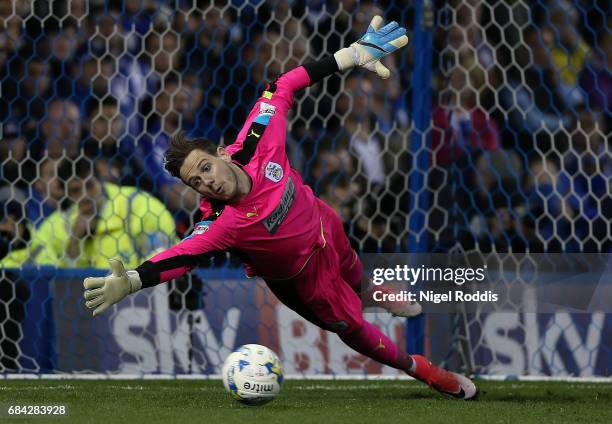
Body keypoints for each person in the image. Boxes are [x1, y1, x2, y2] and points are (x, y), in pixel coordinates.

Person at [82, 16, 478, 400]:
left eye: (205, 168)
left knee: (355, 273)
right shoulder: (220, 223)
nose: (207, 182)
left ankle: (372, 290)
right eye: (196, 182)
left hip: (323, 221)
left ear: (223, 152)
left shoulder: (257, 139)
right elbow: (179, 257)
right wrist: (131, 280)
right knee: (352, 327)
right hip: (303, 280)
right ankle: (424, 370)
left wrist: (352, 55)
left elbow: (282, 85)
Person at [1, 157, 176, 268]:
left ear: (101, 182)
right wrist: (75, 242)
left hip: (142, 301)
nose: (85, 196)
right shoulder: (58, 225)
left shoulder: (138, 206)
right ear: (67, 195)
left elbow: (162, 259)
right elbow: (34, 266)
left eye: (90, 186)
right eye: (76, 191)